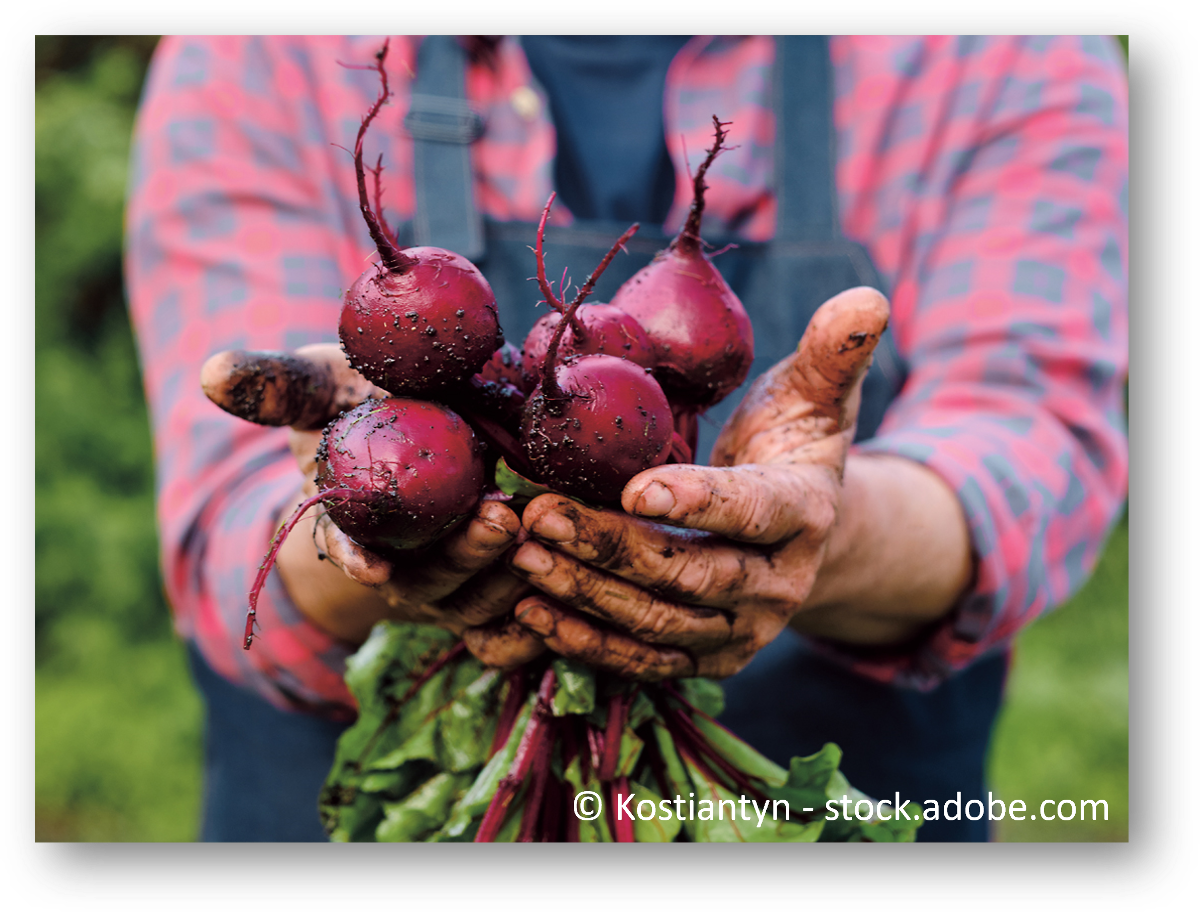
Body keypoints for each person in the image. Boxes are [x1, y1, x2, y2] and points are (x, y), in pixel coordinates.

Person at [125, 34, 1129, 842]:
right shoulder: (254, 43)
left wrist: (826, 528)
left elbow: (1037, 441)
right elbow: (229, 530)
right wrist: (371, 539)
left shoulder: (1009, 42)